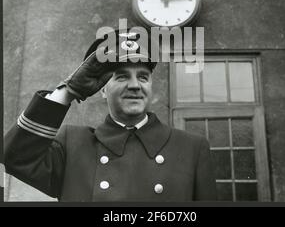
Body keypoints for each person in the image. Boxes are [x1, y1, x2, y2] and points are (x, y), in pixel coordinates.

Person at [4, 29, 216, 202]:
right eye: (122, 77)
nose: (134, 85)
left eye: (143, 77)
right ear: (102, 89)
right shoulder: (73, 144)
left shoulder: (191, 148)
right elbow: (14, 157)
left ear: (151, 86)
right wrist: (68, 91)